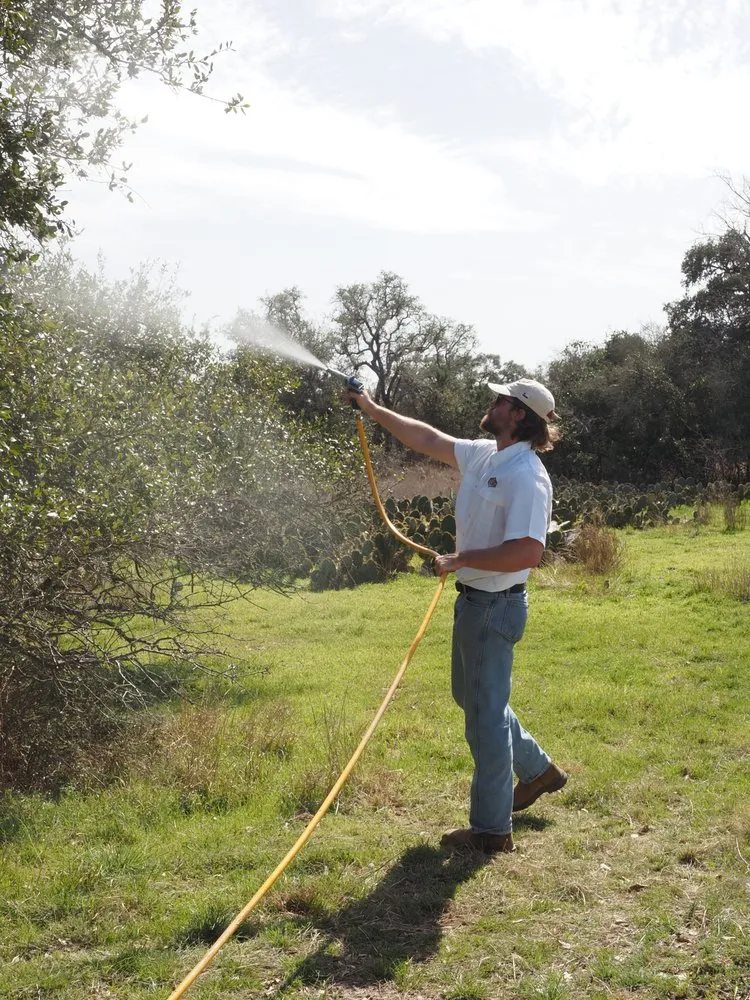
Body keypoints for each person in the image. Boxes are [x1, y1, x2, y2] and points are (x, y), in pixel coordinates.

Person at [346, 377, 568, 854]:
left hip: (495, 607)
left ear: (519, 415)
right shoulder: (486, 454)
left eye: (500, 400)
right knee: (471, 699)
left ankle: (491, 831)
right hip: (474, 603)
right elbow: (426, 438)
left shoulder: (526, 476)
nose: (491, 404)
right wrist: (371, 408)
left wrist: (460, 560)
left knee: (484, 718)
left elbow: (528, 553)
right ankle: (539, 771)